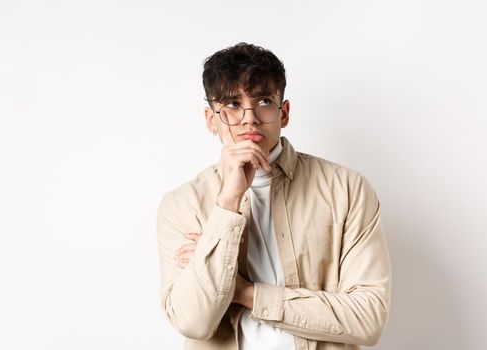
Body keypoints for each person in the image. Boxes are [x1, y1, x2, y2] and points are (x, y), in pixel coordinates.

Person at [155, 42, 391, 350]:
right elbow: (193, 322)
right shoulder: (182, 204)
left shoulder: (347, 189)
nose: (249, 118)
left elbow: (368, 319)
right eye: (231, 104)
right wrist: (228, 201)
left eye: (263, 101)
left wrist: (242, 292)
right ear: (210, 120)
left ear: (284, 113)